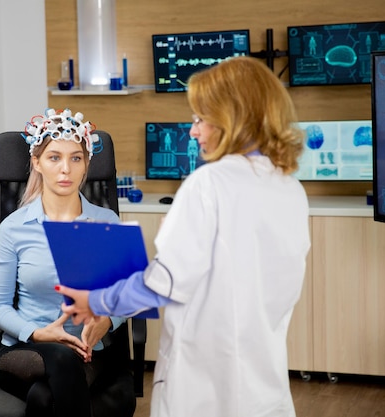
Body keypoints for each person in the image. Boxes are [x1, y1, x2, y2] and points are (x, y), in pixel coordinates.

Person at [57, 56, 311, 417]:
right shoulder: (289, 188)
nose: (193, 132)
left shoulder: (209, 184)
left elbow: (165, 282)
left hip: (206, 387)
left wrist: (96, 300)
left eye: (200, 119)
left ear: (231, 117)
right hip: (263, 385)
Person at [0, 108, 131, 417]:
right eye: (54, 158)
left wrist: (105, 322)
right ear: (37, 163)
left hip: (86, 350)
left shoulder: (107, 222)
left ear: (86, 165)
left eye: (76, 158)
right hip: (24, 349)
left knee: (43, 398)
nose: (65, 169)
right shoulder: (14, 227)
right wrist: (39, 333)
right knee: (59, 360)